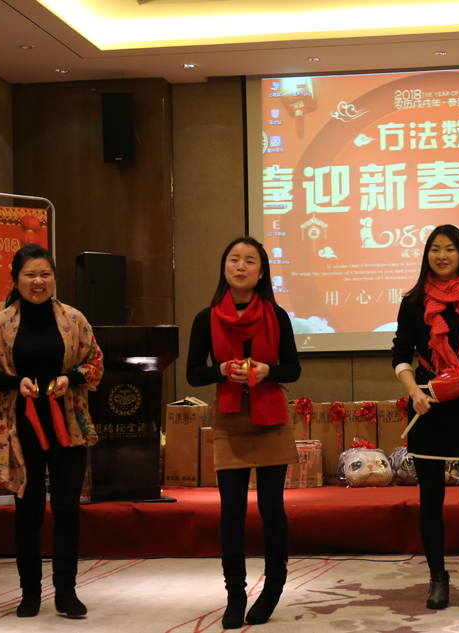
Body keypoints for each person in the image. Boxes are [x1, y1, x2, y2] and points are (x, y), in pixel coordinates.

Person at [0, 244, 104, 618]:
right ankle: (29, 593)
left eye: (45, 274)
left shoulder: (73, 319)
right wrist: (15, 383)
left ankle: (66, 592)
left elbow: (95, 363)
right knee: (28, 511)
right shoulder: (0, 324)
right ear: (16, 279)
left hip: (68, 427)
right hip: (22, 428)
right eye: (30, 274)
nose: (38, 281)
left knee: (66, 509)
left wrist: (70, 378)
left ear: (54, 278)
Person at [187, 236, 301, 629]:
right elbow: (193, 373)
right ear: (224, 268)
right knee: (232, 509)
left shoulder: (277, 315)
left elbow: (293, 369)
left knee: (271, 506)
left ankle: (273, 589)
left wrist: (268, 370)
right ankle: (235, 596)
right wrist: (221, 370)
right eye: (234, 259)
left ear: (262, 272)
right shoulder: (206, 318)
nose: (241, 266)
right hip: (230, 419)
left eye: (250, 261)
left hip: (271, 418)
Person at [391, 225, 459, 610]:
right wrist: (415, 393)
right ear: (427, 255)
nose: (442, 256)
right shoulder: (413, 302)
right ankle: (437, 578)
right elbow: (401, 356)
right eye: (435, 249)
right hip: (430, 405)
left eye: (450, 249)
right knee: (431, 500)